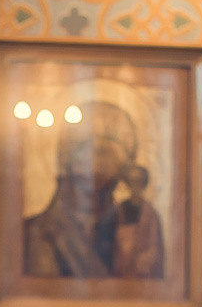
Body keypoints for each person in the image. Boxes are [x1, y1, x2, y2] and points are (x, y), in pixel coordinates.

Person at [23, 99, 137, 278]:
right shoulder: (36, 231)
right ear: (67, 162)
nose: (95, 164)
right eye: (86, 152)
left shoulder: (133, 229)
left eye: (104, 153)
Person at [113, 163, 163, 279]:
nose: (135, 186)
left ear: (144, 184)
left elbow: (154, 246)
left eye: (139, 181)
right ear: (127, 184)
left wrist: (142, 262)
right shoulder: (119, 210)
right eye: (132, 181)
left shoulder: (150, 214)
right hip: (119, 272)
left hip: (141, 273)